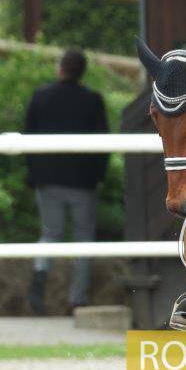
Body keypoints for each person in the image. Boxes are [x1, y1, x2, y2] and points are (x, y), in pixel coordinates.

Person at [23, 48, 109, 315]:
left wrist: (34, 174)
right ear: (82, 71)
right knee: (84, 237)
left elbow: (27, 136)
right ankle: (77, 299)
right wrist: (99, 176)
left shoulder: (41, 96)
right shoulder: (93, 100)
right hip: (83, 181)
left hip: (47, 178)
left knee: (50, 233)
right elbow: (103, 143)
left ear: (60, 67)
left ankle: (39, 280)